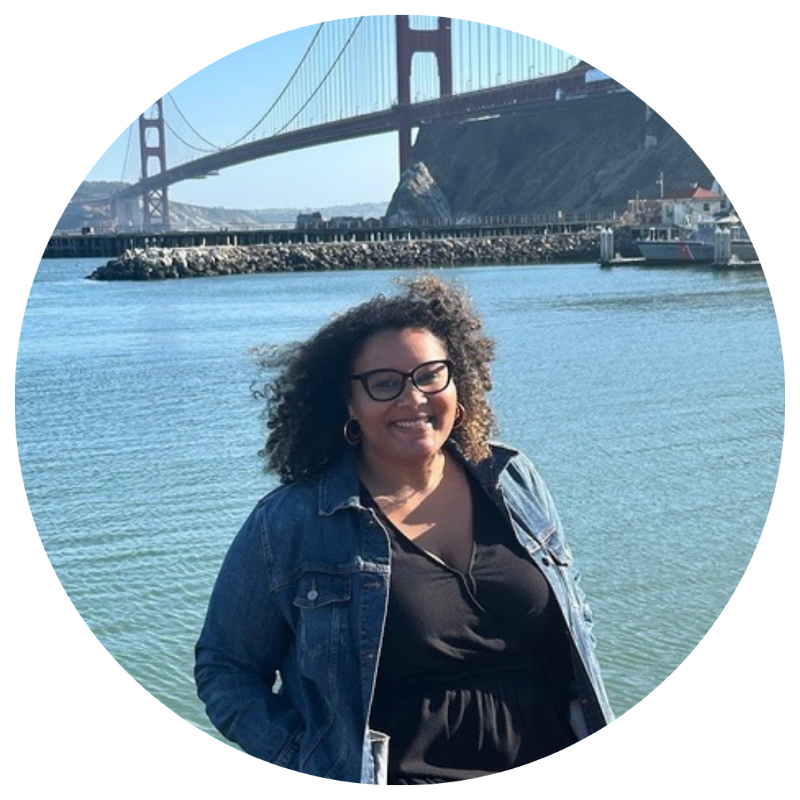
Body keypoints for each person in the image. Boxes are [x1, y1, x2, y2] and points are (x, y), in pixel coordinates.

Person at [194, 275, 615, 785]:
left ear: (458, 385)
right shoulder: (292, 522)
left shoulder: (512, 479)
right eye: (385, 383)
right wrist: (309, 762)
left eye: (429, 375)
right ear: (349, 403)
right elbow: (226, 669)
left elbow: (576, 613)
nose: (413, 398)